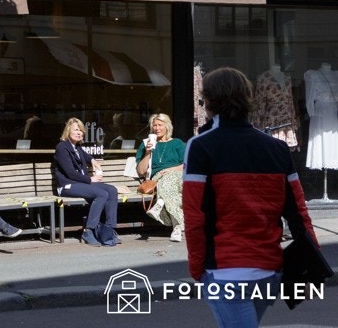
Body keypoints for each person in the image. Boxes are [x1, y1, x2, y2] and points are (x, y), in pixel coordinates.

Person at [185, 67, 318, 328]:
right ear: (248, 98)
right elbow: (298, 213)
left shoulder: (200, 146)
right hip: (269, 269)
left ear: (209, 101)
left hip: (225, 269)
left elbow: (194, 216)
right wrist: (312, 261)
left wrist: (197, 268)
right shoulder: (278, 148)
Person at [52, 117, 119, 247]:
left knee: (112, 190)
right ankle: (89, 230)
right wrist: (90, 179)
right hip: (67, 186)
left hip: (81, 184)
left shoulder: (77, 147)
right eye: (76, 130)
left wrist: (92, 160)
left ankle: (108, 230)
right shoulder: (62, 148)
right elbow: (70, 173)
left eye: (81, 131)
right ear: (68, 131)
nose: (79, 133)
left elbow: (85, 155)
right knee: (101, 194)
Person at [135, 112, 186, 242]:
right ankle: (177, 228)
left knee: (169, 182)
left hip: (179, 176)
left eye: (160, 125)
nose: (157, 128)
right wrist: (147, 152)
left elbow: (187, 165)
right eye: (154, 126)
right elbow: (141, 171)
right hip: (159, 179)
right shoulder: (146, 144)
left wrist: (170, 169)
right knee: (167, 186)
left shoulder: (177, 143)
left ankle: (160, 204)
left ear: (167, 126)